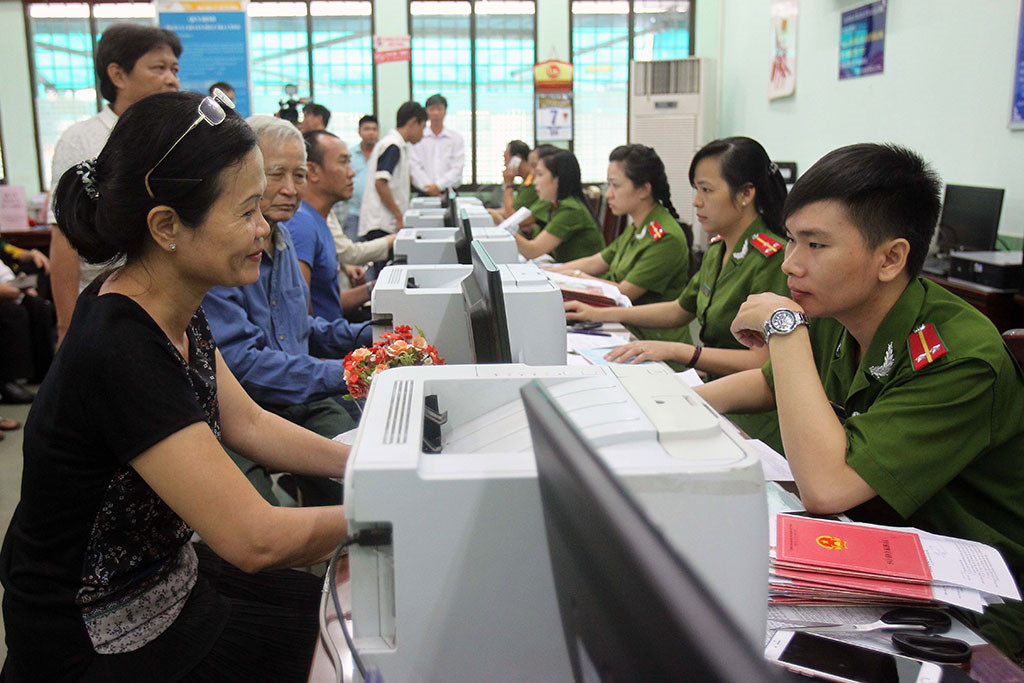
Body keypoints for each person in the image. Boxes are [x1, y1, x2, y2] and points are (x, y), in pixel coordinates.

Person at [0, 91, 348, 681]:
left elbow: (250, 424)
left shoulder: (170, 302)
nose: (264, 229)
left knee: (344, 618)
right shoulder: (120, 347)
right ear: (166, 227)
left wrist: (371, 465)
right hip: (104, 629)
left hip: (168, 575)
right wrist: (405, 504)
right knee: (350, 652)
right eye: (246, 213)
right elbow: (253, 538)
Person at [696, 143, 1024, 659]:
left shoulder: (960, 354)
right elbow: (768, 383)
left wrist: (784, 329)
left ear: (891, 258)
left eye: (816, 245)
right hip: (870, 554)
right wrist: (670, 405)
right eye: (790, 239)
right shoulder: (839, 308)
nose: (791, 265)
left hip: (972, 612)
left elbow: (826, 488)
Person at [564, 137, 789, 447]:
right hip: (708, 388)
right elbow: (679, 309)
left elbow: (767, 362)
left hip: (752, 415)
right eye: (696, 190)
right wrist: (599, 314)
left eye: (706, 190)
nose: (696, 201)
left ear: (746, 194)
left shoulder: (773, 259)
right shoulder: (718, 249)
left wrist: (680, 351)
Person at [203, 116, 369, 507]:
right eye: (275, 175)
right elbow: (244, 365)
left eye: (299, 176)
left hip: (297, 396)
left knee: (367, 479)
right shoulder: (222, 253)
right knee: (258, 514)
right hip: (239, 407)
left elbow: (296, 330)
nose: (291, 190)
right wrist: (350, 371)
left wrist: (372, 339)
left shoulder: (282, 238)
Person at [49, 23, 181, 347]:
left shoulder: (179, 136)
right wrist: (66, 326)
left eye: (175, 69)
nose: (171, 79)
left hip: (172, 303)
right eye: (159, 68)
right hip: (105, 306)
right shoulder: (82, 139)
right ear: (118, 75)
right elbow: (64, 238)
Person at [548, 144, 693, 345]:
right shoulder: (639, 226)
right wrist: (548, 272)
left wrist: (574, 276)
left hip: (651, 339)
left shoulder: (665, 237)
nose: (608, 194)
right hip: (624, 328)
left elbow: (623, 291)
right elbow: (597, 261)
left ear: (643, 189)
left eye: (615, 185)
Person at [285, 130, 376, 320]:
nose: (351, 173)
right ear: (313, 171)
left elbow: (328, 307)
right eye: (343, 162)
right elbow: (306, 324)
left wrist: (373, 288)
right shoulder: (302, 224)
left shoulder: (319, 220)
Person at [512, 149, 604, 263]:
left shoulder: (571, 210)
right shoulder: (557, 205)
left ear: (558, 179)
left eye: (540, 174)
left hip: (586, 277)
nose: (535, 181)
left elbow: (532, 251)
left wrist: (504, 230)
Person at [358, 101, 427, 240]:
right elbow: (380, 183)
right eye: (423, 127)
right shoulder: (393, 145)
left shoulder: (397, 145)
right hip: (381, 224)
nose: (423, 134)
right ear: (413, 122)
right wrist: (398, 215)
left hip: (383, 223)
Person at [0, 259, 54, 402]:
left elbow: (4, 274)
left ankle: (42, 372)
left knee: (39, 306)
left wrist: (17, 282)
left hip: (9, 292)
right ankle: (8, 382)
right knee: (13, 312)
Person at [487, 141, 554, 234]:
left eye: (535, 166)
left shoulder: (533, 185)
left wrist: (509, 185)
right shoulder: (526, 182)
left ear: (517, 159)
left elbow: (511, 217)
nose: (533, 172)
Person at [409, 93, 464, 197]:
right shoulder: (418, 137)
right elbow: (414, 166)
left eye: (439, 109)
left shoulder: (456, 138)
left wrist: (438, 186)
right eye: (432, 109)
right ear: (426, 112)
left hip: (449, 192)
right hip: (424, 192)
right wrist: (429, 188)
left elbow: (457, 167)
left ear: (445, 111)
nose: (436, 113)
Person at [340, 114, 379, 240]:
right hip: (354, 212)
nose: (371, 133)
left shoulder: (383, 154)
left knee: (377, 253)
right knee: (353, 255)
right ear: (359, 132)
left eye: (374, 129)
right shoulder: (349, 154)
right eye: (367, 129)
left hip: (376, 215)